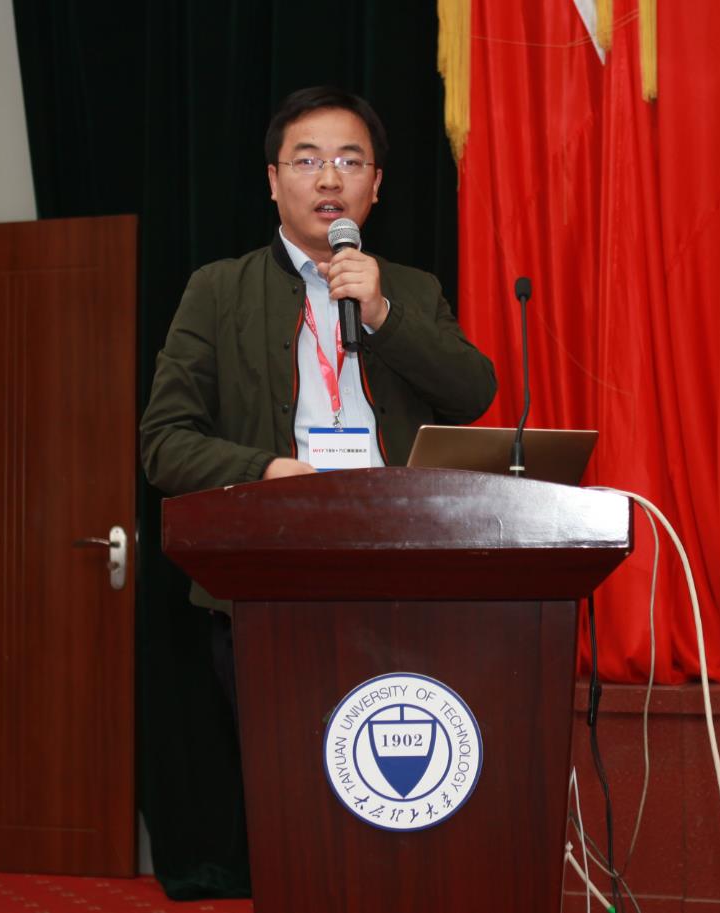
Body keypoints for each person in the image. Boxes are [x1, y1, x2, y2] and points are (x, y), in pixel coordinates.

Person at [141, 86, 498, 714]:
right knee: (285, 761)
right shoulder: (218, 290)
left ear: (376, 185)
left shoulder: (412, 289)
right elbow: (164, 443)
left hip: (402, 575)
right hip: (270, 574)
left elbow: (474, 393)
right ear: (273, 181)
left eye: (349, 161)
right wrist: (265, 472)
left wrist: (383, 315)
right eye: (307, 160)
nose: (329, 178)